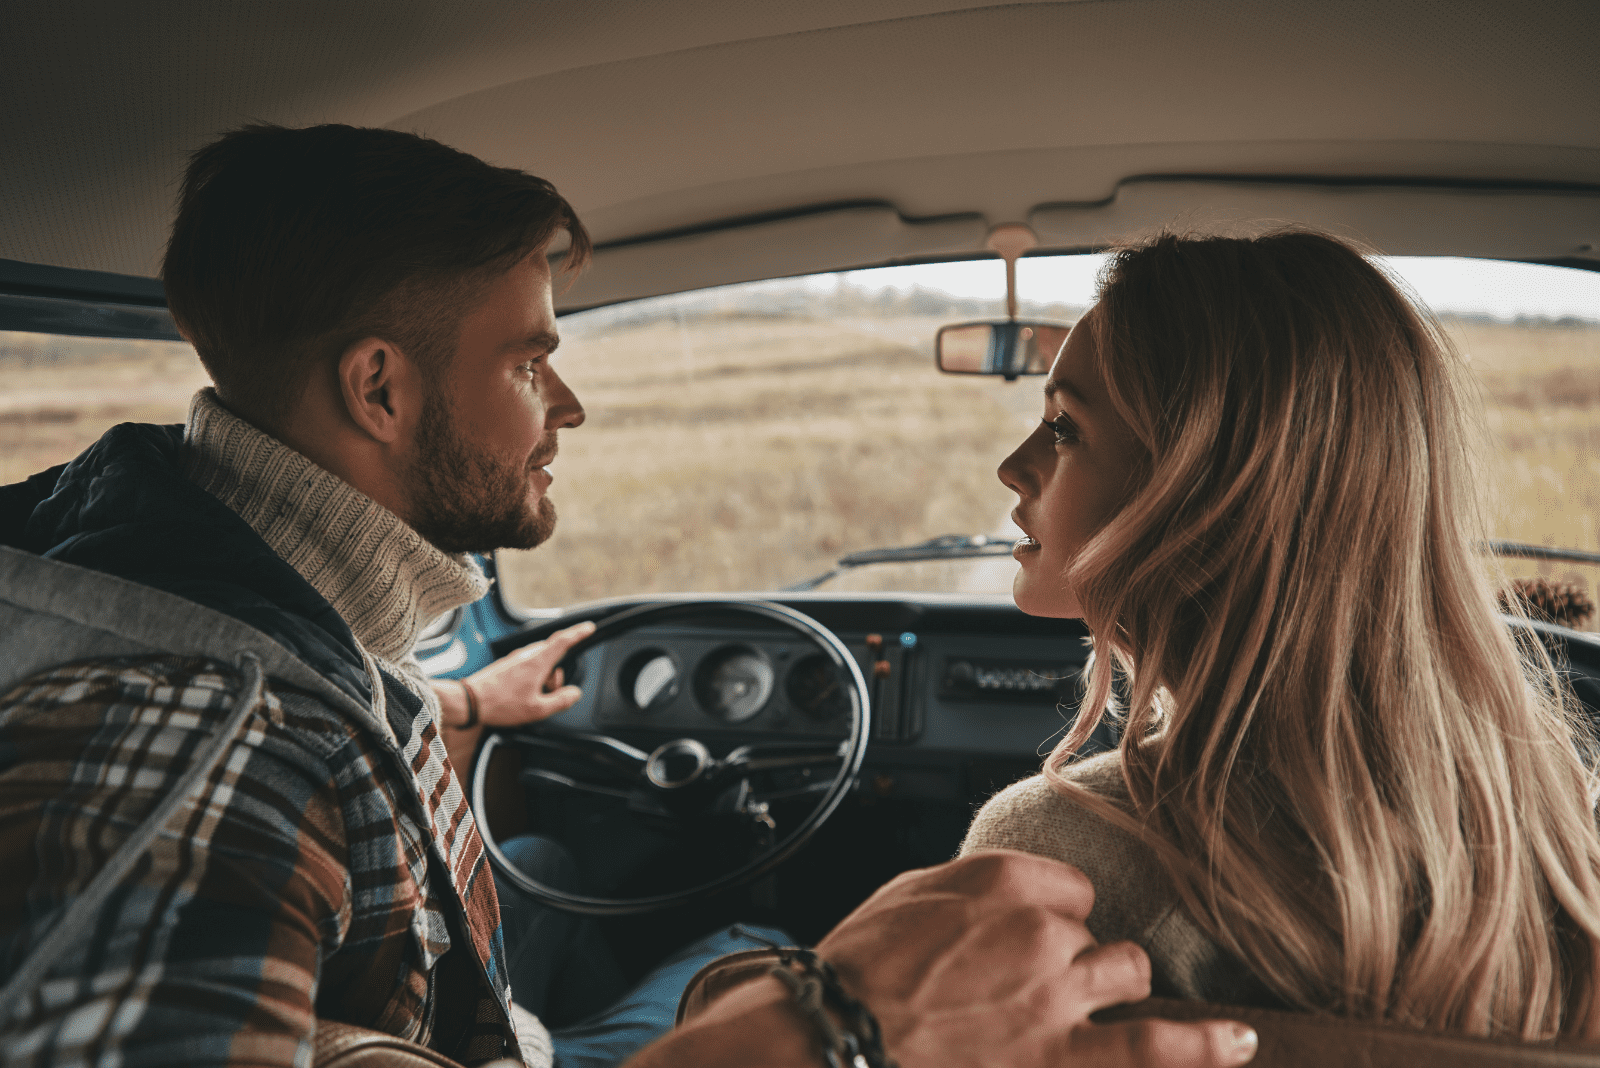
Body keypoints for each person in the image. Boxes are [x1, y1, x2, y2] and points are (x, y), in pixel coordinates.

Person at [0, 124, 1258, 1068]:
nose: (568, 405)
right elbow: (222, 766)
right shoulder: (194, 728)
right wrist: (826, 1032)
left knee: (563, 865)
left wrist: (456, 705)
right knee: (749, 960)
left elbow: (301, 727)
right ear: (379, 390)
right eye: (528, 357)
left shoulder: (222, 605)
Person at [962, 229, 1600, 1040]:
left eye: (1063, 428)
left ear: (1205, 498)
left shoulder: (1059, 858)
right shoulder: (1549, 819)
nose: (1013, 467)